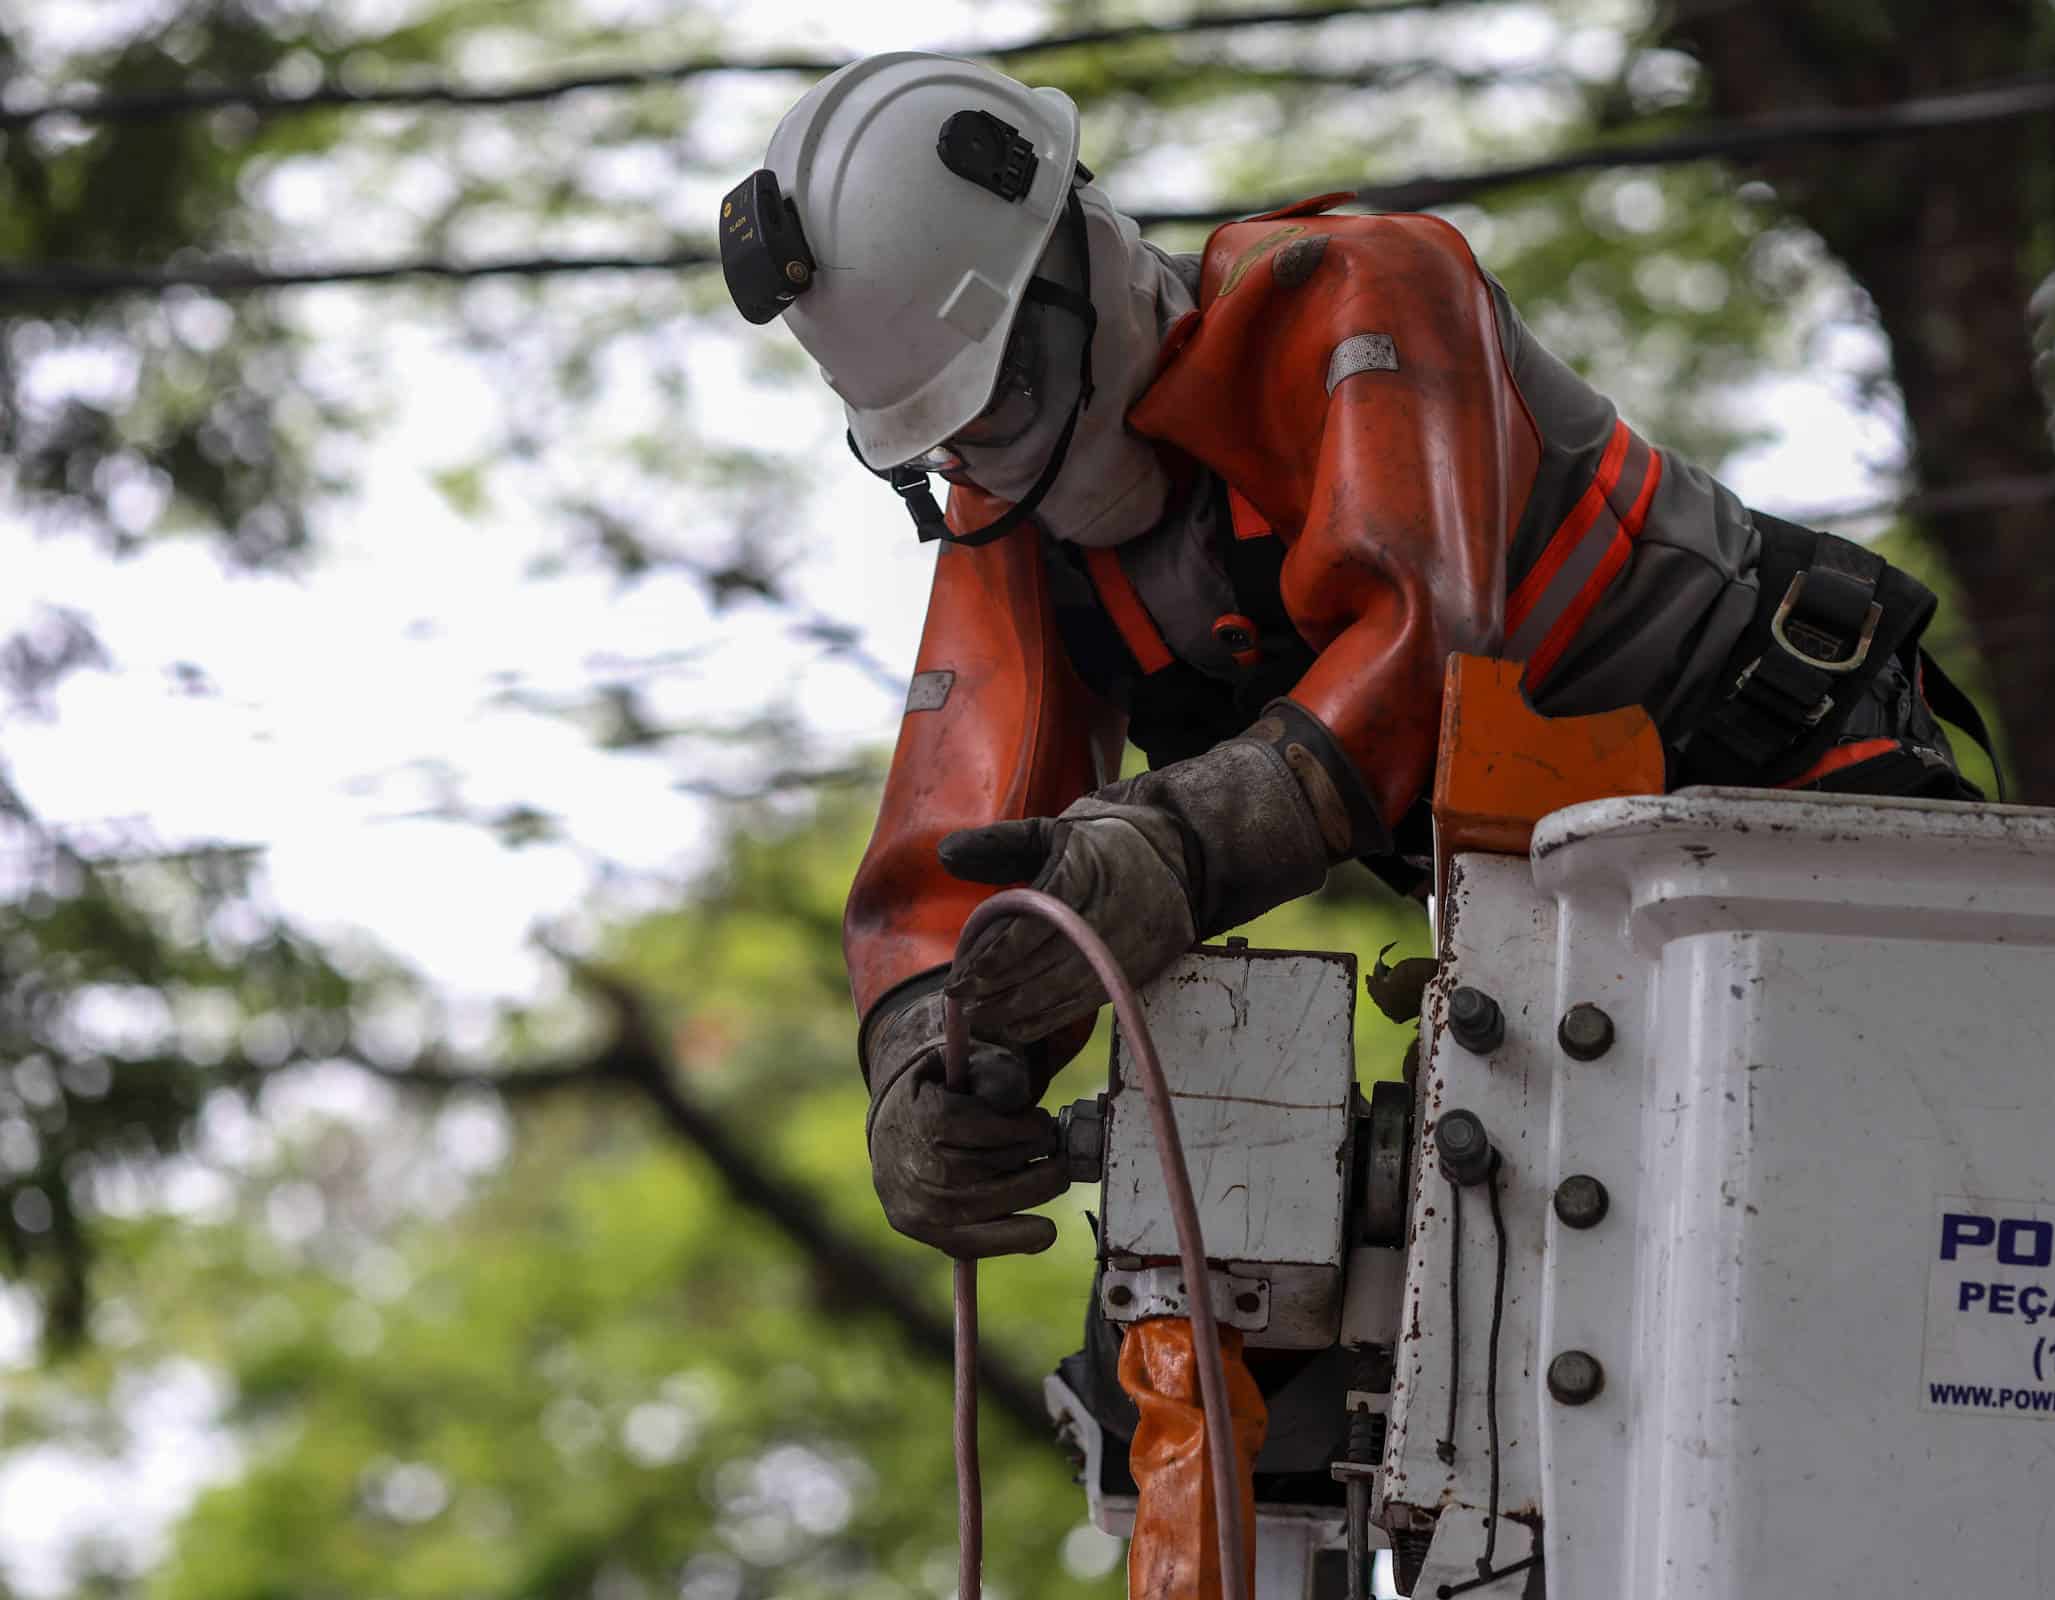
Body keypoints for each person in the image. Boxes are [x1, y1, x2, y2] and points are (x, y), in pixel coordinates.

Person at [720, 51, 1987, 1261]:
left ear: (1081, 262)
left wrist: (1170, 846)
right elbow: (948, 836)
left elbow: (1428, 641)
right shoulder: (1022, 520)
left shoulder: (1361, 289)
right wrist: (926, 1074)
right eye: (939, 443)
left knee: (1921, 1227)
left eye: (996, 398)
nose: (986, 458)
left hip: (1809, 791)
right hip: (1581, 937)